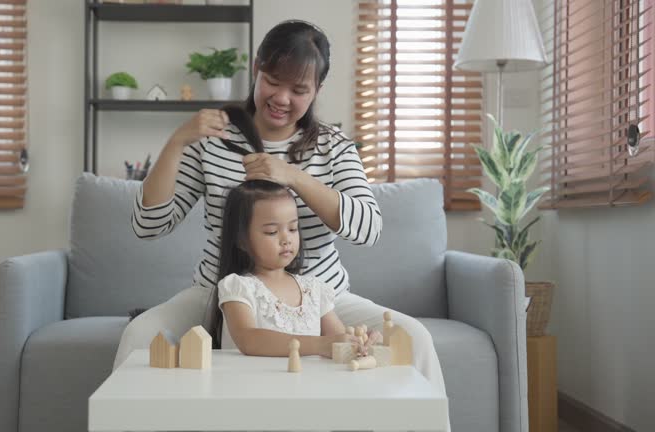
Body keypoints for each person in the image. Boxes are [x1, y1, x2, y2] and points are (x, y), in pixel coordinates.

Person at [114, 21, 449, 429]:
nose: (282, 98)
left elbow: (368, 229)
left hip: (320, 299)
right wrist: (176, 142)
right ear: (256, 69)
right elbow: (148, 225)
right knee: (139, 336)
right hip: (219, 293)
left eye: (299, 89)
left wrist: (294, 177)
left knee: (416, 340)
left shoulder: (333, 147)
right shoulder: (213, 141)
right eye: (273, 81)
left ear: (317, 91)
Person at [214, 179, 367, 356]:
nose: (286, 239)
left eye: (293, 229)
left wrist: (360, 342)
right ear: (241, 240)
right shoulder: (238, 287)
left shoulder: (313, 289)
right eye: (272, 232)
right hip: (253, 382)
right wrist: (320, 344)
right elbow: (249, 340)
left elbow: (339, 339)